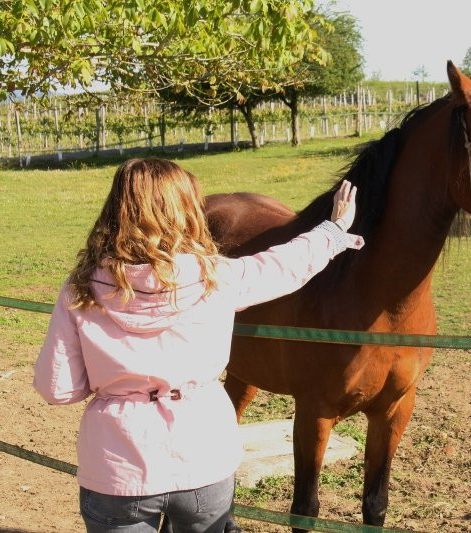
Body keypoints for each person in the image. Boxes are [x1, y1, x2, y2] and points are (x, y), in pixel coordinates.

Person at [33, 157, 362, 532]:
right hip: (203, 458)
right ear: (186, 209)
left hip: (115, 468)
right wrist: (333, 232)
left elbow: (57, 388)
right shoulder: (216, 277)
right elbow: (283, 264)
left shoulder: (80, 289)